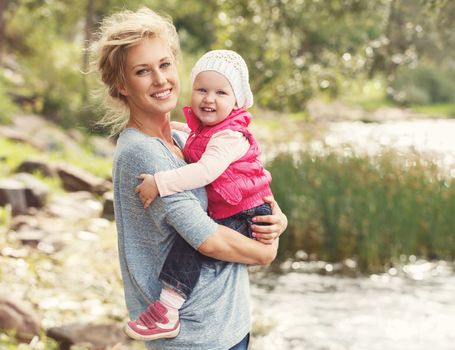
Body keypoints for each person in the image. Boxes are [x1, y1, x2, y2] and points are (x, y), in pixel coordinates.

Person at [91, 7, 287, 350]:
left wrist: (277, 220)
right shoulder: (143, 152)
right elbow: (207, 239)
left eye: (165, 65)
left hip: (229, 321)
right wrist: (265, 252)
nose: (160, 79)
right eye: (142, 71)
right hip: (195, 337)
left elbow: (245, 187)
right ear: (122, 85)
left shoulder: (187, 140)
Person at [127, 49, 276, 341]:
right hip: (239, 205)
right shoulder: (206, 130)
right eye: (202, 89)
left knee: (193, 241)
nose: (209, 99)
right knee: (196, 235)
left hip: (245, 211)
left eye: (221, 92)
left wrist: (161, 182)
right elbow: (193, 137)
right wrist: (173, 128)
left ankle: (169, 309)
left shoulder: (229, 136)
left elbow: (207, 171)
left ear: (236, 102)